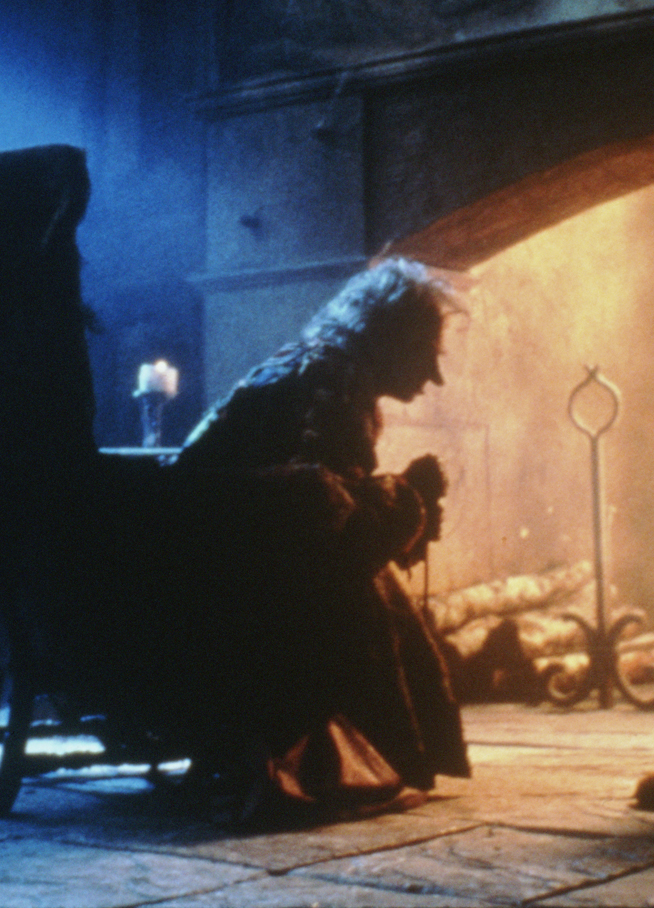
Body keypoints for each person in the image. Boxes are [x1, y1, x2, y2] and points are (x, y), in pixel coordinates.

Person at [172, 257, 469, 820]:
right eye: (427, 352)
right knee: (371, 581)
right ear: (390, 336)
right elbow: (325, 524)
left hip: (209, 565)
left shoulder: (322, 369)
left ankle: (391, 751)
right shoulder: (332, 383)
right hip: (239, 589)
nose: (435, 376)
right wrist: (407, 497)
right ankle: (354, 755)